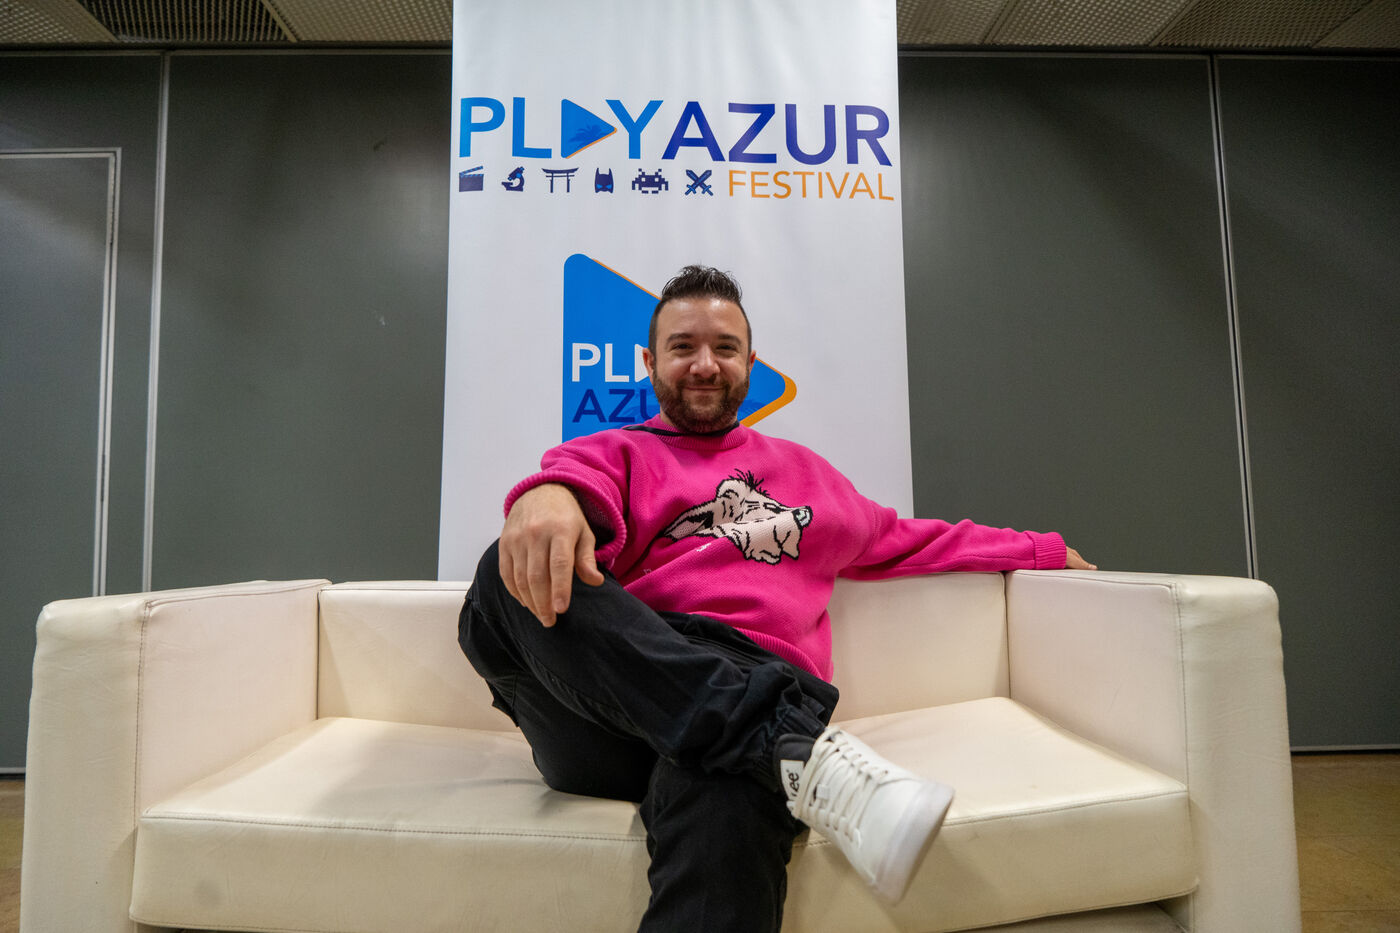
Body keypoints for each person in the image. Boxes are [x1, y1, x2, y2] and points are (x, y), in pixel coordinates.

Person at [458, 265, 1095, 932]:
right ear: (648, 362)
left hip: (751, 675)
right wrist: (545, 495)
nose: (705, 364)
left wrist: (1043, 550)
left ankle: (776, 752)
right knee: (504, 571)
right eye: (682, 347)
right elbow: (569, 487)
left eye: (725, 348)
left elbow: (912, 539)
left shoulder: (808, 475)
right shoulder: (614, 452)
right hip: (622, 703)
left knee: (732, 789)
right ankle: (793, 749)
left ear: (751, 363)